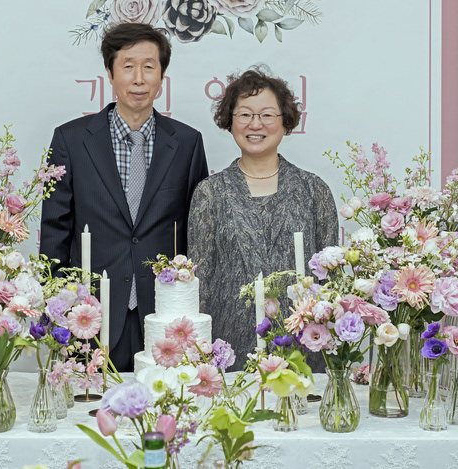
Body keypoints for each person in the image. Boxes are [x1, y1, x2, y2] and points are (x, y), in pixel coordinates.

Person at [40, 23, 209, 372]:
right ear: (109, 72)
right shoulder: (70, 140)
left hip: (164, 314)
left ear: (162, 76)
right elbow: (55, 229)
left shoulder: (187, 142)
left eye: (149, 67)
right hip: (91, 314)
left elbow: (198, 232)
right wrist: (58, 304)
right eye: (128, 66)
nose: (139, 79)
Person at [187, 67, 339, 364]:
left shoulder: (313, 190)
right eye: (245, 114)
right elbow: (199, 283)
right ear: (230, 121)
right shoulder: (210, 193)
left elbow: (331, 282)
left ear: (285, 122)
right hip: (230, 351)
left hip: (303, 350)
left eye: (267, 115)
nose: (255, 124)